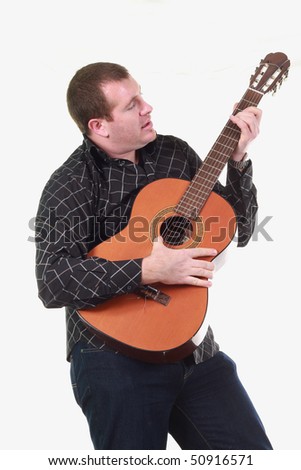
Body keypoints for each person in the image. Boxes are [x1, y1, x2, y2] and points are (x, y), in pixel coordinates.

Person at [35, 62, 272, 450]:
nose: (148, 107)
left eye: (141, 95)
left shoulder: (174, 154)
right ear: (99, 126)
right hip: (112, 357)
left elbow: (239, 231)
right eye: (132, 105)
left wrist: (239, 161)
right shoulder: (71, 183)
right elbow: (52, 281)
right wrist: (148, 269)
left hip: (193, 349)